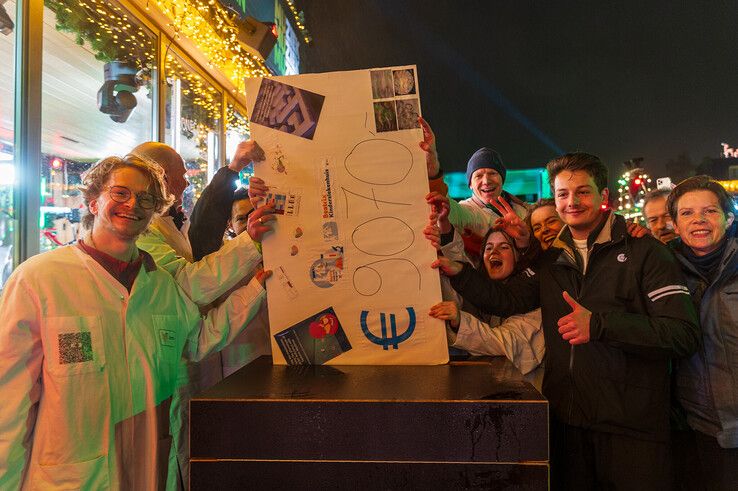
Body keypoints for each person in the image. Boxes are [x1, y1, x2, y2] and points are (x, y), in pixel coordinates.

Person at [434, 152, 700, 489]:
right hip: (568, 426)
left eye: (582, 192)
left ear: (604, 197)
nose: (571, 202)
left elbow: (683, 334)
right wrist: (458, 272)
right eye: (563, 194)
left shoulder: (645, 252)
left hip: (632, 431)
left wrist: (601, 325)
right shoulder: (553, 259)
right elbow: (507, 299)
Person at [0, 155, 268, 489]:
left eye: (146, 199)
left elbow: (199, 341)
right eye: (121, 193)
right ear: (93, 200)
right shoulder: (39, 280)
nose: (133, 205)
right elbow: (8, 406)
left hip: (148, 474)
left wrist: (256, 288)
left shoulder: (160, 286)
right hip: (69, 480)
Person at [130, 141, 273, 489]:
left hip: (197, 359)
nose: (186, 184)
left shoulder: (163, 228)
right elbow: (189, 284)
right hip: (173, 370)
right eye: (180, 176)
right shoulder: (145, 234)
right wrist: (251, 243)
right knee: (179, 460)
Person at [667, 176, 738, 490]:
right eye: (687, 213)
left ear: (729, 217)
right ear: (674, 224)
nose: (698, 220)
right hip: (703, 427)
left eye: (709, 211)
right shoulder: (663, 272)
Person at [429, 226, 544, 381]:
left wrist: (460, 321)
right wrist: (444, 229)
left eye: (504, 247)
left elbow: (505, 342)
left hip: (519, 395)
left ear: (518, 257)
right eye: (488, 248)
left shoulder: (531, 299)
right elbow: (460, 270)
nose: (494, 252)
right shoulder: (481, 291)